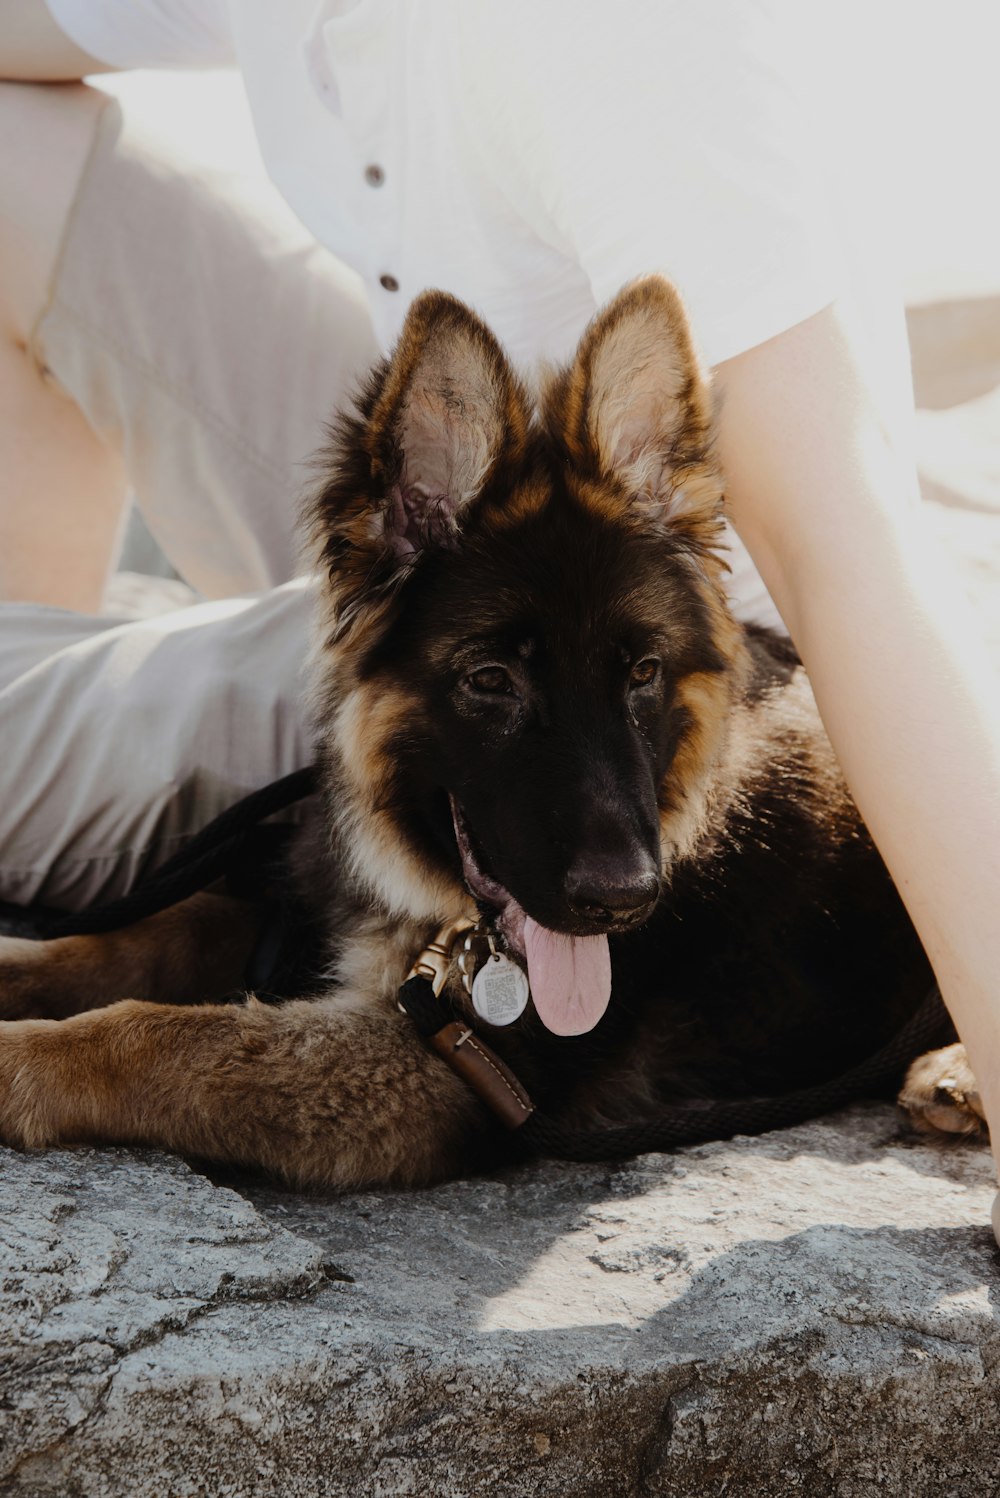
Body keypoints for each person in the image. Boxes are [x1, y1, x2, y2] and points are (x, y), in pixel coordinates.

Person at [3, 3, 1000, 1229]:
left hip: (611, 602)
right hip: (440, 532)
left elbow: (843, 544)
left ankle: (86, 824)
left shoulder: (613, 39)